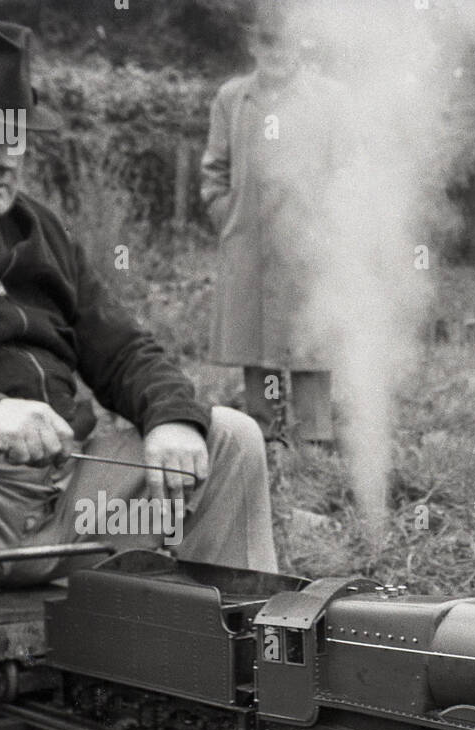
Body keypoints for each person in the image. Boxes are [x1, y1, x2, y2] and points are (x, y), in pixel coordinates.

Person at [0, 6, 278, 591]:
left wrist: (170, 417)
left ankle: (225, 656)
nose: (6, 157)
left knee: (230, 437)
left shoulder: (41, 229)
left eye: (17, 136)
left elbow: (121, 349)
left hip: (80, 513)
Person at [201, 0, 339, 446]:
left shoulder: (329, 98)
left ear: (301, 45)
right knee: (254, 337)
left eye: (287, 42)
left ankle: (314, 437)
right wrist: (226, 214)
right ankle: (262, 433)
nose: (278, 51)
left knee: (311, 336)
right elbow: (214, 170)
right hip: (248, 237)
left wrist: (333, 227)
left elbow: (349, 169)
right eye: (268, 41)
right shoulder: (231, 97)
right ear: (252, 43)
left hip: (311, 241)